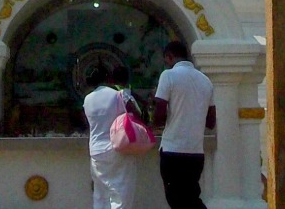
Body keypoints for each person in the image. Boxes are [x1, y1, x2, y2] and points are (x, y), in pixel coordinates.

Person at [152, 39, 214, 209]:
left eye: (166, 61)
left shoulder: (168, 75)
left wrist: (155, 125)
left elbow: (159, 112)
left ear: (170, 57)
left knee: (176, 199)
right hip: (195, 152)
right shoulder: (205, 81)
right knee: (191, 196)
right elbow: (211, 121)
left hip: (173, 149)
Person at [83, 60, 138, 208]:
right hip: (117, 148)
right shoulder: (118, 95)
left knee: (100, 195)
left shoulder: (87, 99)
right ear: (108, 78)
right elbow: (137, 115)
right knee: (120, 194)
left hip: (95, 150)